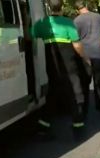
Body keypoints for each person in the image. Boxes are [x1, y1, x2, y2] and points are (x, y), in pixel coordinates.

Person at [30, 0, 90, 139]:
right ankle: (78, 128)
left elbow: (29, 36)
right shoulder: (67, 23)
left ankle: (43, 127)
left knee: (52, 94)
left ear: (49, 8)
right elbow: (77, 45)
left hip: (52, 66)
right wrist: (85, 58)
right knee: (75, 93)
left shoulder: (42, 23)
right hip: (69, 66)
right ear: (62, 7)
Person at [74, 1, 100, 115]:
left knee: (84, 83)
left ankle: (84, 109)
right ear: (86, 6)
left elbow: (75, 40)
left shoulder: (77, 21)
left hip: (85, 56)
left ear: (77, 9)